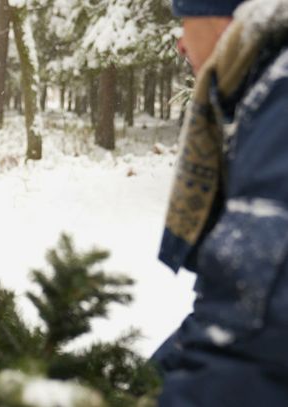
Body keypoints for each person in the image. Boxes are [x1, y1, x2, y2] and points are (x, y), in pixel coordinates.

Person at [153, 0, 288, 405]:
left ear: (222, 20)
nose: (180, 44)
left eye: (185, 22)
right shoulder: (266, 96)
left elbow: (253, 339)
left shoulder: (280, 110)